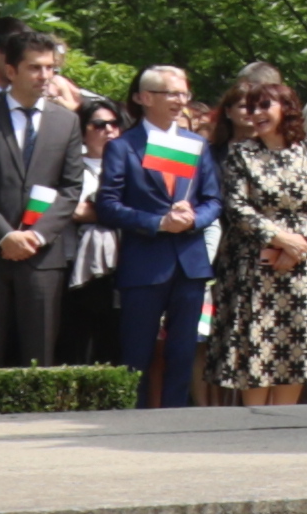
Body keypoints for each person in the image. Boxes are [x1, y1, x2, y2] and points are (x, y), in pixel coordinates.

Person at [0, 35, 81, 372]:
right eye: (34, 68)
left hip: (42, 254)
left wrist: (36, 236)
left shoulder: (66, 121)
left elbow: (70, 188)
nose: (44, 75)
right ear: (10, 70)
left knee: (40, 355)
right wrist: (4, 235)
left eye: (49, 68)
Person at [95, 65, 223, 409]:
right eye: (172, 94)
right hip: (145, 263)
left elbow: (213, 199)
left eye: (184, 94)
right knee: (137, 352)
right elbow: (107, 205)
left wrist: (193, 219)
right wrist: (158, 222)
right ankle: (134, 419)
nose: (180, 101)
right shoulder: (123, 146)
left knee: (183, 351)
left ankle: (175, 418)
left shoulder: (196, 144)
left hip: (189, 262)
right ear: (146, 97)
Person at [211, 73, 307, 405]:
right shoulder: (241, 154)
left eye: (264, 106)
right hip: (254, 264)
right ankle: (254, 421)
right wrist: (281, 238)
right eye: (250, 108)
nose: (255, 114)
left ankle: (286, 420)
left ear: (287, 108)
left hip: (300, 264)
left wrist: (300, 245)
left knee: (296, 344)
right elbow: (237, 206)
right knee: (258, 345)